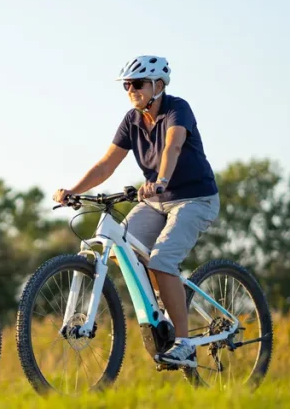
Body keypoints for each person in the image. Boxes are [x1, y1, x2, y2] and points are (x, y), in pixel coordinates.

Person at [53, 55, 219, 367]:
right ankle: (164, 302)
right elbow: (105, 165)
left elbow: (173, 147)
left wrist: (161, 181)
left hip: (194, 199)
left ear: (158, 85)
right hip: (155, 201)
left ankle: (183, 343)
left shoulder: (177, 108)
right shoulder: (132, 120)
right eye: (127, 85)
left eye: (138, 84)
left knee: (162, 260)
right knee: (119, 250)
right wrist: (75, 191)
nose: (132, 90)